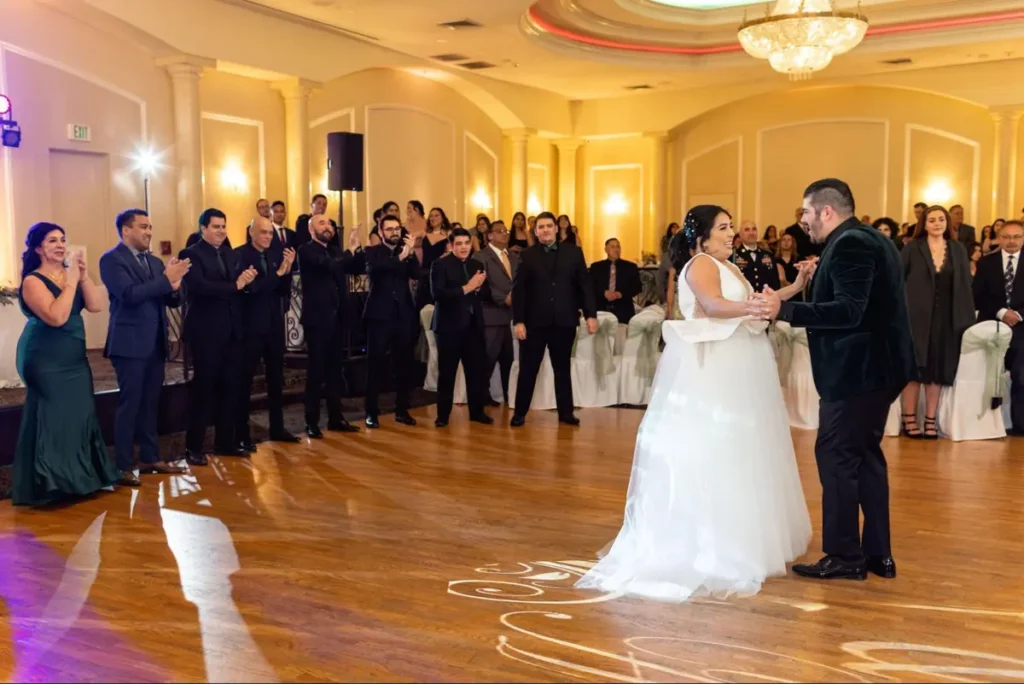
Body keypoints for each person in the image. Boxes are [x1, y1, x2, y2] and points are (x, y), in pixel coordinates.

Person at [575, 205, 812, 601]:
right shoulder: (701, 263)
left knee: (739, 453)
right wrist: (756, 308)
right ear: (701, 237)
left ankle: (740, 538)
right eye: (723, 227)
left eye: (731, 226)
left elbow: (761, 300)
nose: (730, 233)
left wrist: (797, 283)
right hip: (713, 369)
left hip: (739, 363)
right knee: (711, 450)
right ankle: (709, 546)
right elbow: (716, 307)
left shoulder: (730, 266)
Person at [751, 178, 917, 581]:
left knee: (837, 457)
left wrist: (783, 310)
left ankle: (845, 555)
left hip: (858, 371)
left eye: (805, 212)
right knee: (866, 460)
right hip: (877, 369)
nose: (802, 220)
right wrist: (815, 277)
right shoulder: (863, 239)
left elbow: (848, 311)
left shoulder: (851, 244)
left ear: (826, 211)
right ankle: (878, 554)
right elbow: (858, 298)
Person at [10, 223, 119, 505]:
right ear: (37, 248)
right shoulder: (33, 281)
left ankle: (82, 478)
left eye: (62, 240)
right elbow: (56, 317)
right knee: (53, 416)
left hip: (74, 358)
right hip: (44, 358)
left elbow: (95, 305)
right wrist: (70, 280)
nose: (60, 245)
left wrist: (82, 275)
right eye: (52, 240)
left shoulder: (71, 275)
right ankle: (51, 484)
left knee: (79, 414)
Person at [100, 209, 190, 486]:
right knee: (131, 404)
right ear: (125, 230)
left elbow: (170, 300)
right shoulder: (112, 260)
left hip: (154, 342)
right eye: (143, 227)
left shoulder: (153, 261)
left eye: (150, 227)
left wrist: (175, 285)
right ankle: (123, 465)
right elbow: (129, 295)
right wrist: (165, 280)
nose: (149, 232)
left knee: (151, 403)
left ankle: (150, 457)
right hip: (128, 344)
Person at [180, 209, 258, 463]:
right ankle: (194, 448)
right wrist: (234, 286)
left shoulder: (230, 253)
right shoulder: (191, 254)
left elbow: (237, 289)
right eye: (216, 227)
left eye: (224, 226)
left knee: (230, 389)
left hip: (233, 330)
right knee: (203, 390)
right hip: (206, 331)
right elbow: (199, 288)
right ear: (203, 228)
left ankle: (226, 442)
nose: (222, 231)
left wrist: (245, 283)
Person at [510, 212, 597, 427]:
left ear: (557, 229)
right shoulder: (527, 255)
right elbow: (519, 290)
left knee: (562, 369)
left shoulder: (574, 252)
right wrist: (518, 321)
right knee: (529, 369)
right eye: (541, 227)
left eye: (549, 226)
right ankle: (519, 413)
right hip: (534, 323)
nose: (546, 230)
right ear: (536, 231)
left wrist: (590, 315)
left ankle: (566, 413)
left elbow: (584, 286)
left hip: (564, 321)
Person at [899, 205, 975, 439]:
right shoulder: (912, 248)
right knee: (914, 370)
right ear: (924, 224)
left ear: (947, 223)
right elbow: (898, 281)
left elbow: (964, 286)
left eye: (941, 219)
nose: (937, 224)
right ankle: (909, 419)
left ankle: (930, 420)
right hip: (916, 317)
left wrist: (966, 319)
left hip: (946, 318)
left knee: (937, 371)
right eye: (931, 220)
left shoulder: (957, 249)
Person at [298, 214, 365, 438]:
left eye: (329, 223)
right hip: (317, 320)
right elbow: (328, 266)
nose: (327, 227)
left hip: (337, 319)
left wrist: (356, 248)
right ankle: (312, 422)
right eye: (321, 223)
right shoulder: (306, 250)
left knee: (336, 371)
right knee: (316, 372)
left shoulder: (336, 251)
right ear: (311, 229)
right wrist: (348, 252)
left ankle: (336, 418)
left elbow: (354, 267)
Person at [234, 217, 299, 447]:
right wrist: (278, 274)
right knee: (245, 381)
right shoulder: (240, 255)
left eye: (271, 233)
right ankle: (242, 434)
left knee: (276, 379)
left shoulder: (274, 254)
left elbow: (281, 289)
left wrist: (287, 270)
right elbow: (252, 289)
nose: (268, 237)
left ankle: (278, 428)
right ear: (252, 233)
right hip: (250, 326)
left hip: (274, 325)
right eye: (263, 233)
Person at [430, 228, 493, 427]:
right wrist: (468, 287)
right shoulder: (440, 265)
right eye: (459, 243)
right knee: (447, 373)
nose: (464, 247)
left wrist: (479, 287)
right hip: (449, 327)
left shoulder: (477, 264)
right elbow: (438, 294)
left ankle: (477, 412)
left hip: (473, 326)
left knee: (476, 372)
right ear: (451, 245)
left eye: (467, 243)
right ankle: (443, 416)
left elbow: (486, 293)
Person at [363, 215, 420, 429]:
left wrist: (410, 254)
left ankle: (402, 409)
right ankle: (371, 412)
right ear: (381, 231)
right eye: (389, 229)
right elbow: (376, 270)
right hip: (380, 316)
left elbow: (416, 274)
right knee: (375, 364)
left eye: (397, 229)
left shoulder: (405, 252)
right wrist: (401, 257)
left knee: (404, 364)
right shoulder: (373, 251)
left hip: (403, 315)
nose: (394, 232)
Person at [973, 220, 1024, 434]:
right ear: (999, 238)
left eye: (1017, 237)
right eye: (1006, 237)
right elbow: (977, 296)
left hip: (1023, 327)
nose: (1011, 241)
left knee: (1021, 375)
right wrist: (1002, 312)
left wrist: (1018, 315)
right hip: (992, 325)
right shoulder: (986, 263)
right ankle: (986, 425)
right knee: (987, 374)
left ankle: (1020, 425)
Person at [589, 238, 642, 325]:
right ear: (606, 249)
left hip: (623, 309)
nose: (616, 249)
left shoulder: (630, 267)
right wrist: (604, 292)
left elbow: (637, 287)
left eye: (618, 247)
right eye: (612, 247)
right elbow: (590, 286)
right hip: (601, 308)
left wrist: (620, 294)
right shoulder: (596, 267)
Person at [732, 220, 780, 293]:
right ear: (740, 234)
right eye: (747, 230)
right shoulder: (733, 256)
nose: (751, 233)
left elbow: (775, 282)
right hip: (744, 301)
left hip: (765, 300)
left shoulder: (767, 255)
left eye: (754, 229)